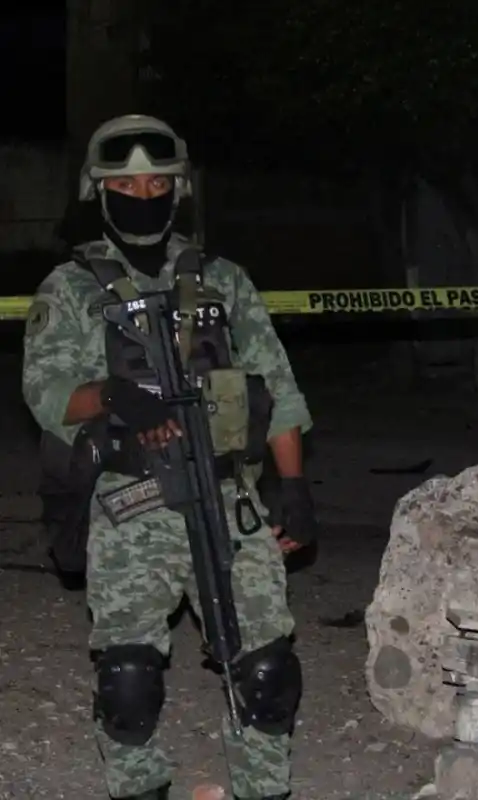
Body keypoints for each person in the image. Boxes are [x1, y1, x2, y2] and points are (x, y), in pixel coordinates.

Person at [22, 115, 318, 800]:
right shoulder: (69, 288)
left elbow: (279, 390)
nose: (142, 193)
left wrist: (295, 488)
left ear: (178, 189)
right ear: (99, 192)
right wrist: (113, 396)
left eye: (157, 181)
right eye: (126, 183)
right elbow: (45, 394)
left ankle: (262, 790)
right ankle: (139, 788)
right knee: (129, 679)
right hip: (131, 502)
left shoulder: (223, 281)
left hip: (228, 495)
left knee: (268, 670)